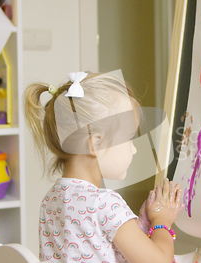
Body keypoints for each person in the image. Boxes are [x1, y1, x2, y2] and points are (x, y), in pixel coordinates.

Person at [24, 71, 183, 263]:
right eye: (129, 138)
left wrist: (139, 224)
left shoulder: (50, 200)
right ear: (96, 144)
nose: (133, 150)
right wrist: (161, 221)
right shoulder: (105, 203)